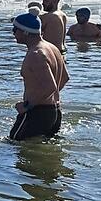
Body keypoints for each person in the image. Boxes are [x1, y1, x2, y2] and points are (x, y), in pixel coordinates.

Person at [10, 12, 69, 140]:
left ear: (25, 32)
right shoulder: (52, 48)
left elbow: (50, 87)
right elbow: (64, 78)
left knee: (14, 144)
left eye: (15, 29)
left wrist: (27, 106)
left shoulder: (36, 54)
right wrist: (49, 100)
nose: (13, 33)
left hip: (37, 113)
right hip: (54, 111)